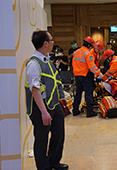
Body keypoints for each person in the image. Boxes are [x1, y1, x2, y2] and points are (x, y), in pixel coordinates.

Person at [25, 30, 68, 170]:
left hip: (54, 105)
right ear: (46, 43)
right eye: (51, 40)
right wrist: (44, 112)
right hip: (41, 108)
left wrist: (61, 100)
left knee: (59, 135)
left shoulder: (47, 59)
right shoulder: (33, 63)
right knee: (41, 140)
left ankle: (54, 162)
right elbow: (34, 89)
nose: (53, 42)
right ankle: (44, 167)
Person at [72, 36, 103, 117]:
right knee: (88, 94)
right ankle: (90, 112)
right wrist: (100, 74)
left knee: (78, 93)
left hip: (77, 76)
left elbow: (73, 65)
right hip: (85, 76)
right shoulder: (87, 54)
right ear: (89, 45)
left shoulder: (76, 52)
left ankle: (75, 110)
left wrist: (75, 75)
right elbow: (92, 67)